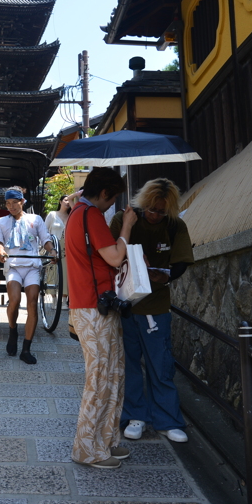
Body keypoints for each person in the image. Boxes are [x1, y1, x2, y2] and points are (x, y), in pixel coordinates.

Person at [110, 178, 194, 444]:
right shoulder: (124, 220)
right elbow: (109, 256)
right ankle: (135, 416)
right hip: (126, 305)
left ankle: (167, 420)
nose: (156, 215)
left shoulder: (175, 225)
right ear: (143, 203)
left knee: (161, 365)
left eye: (161, 211)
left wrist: (164, 276)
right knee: (130, 364)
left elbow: (181, 264)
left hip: (156, 306)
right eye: (152, 209)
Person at [65, 167, 137, 469]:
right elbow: (115, 257)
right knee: (100, 378)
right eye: (112, 198)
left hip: (91, 305)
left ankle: (105, 441)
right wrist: (127, 226)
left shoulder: (76, 213)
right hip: (95, 307)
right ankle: (87, 450)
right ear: (105, 193)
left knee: (111, 374)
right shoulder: (91, 215)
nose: (112, 205)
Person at [0, 186, 54, 364]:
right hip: (13, 265)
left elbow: (45, 239)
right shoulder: (0, 222)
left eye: (14, 203)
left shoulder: (35, 219)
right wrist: (0, 251)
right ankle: (12, 330)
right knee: (14, 300)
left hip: (32, 266)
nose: (11, 207)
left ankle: (26, 349)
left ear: (22, 202)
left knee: (32, 303)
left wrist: (52, 251)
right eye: (8, 203)